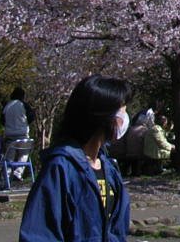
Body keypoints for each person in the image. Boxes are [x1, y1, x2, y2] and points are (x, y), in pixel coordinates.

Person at [18, 75, 132, 242]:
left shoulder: (109, 169)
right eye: (122, 110)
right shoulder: (61, 168)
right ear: (103, 117)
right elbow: (39, 233)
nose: (125, 117)